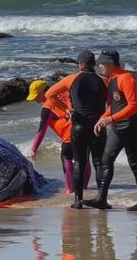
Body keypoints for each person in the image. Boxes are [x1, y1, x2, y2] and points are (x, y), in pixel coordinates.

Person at [85, 50, 137, 211]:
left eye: (101, 63)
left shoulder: (126, 78)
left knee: (134, 164)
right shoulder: (112, 79)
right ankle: (101, 199)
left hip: (130, 127)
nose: (99, 65)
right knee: (106, 160)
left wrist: (111, 119)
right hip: (117, 127)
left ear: (110, 63)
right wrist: (103, 118)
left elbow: (133, 106)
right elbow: (115, 106)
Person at [45, 50, 108, 209]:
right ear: (94, 64)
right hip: (98, 126)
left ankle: (78, 201)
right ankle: (101, 199)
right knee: (99, 164)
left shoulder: (71, 79)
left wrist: (66, 110)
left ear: (80, 64)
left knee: (79, 163)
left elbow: (49, 94)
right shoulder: (104, 81)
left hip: (78, 126)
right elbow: (113, 105)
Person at [26, 80, 91, 194]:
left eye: (36, 96)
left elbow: (41, 131)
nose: (34, 99)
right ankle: (84, 189)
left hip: (70, 134)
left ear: (43, 92)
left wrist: (33, 149)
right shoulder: (65, 94)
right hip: (86, 129)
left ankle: (70, 190)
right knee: (84, 160)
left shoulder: (47, 107)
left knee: (66, 157)